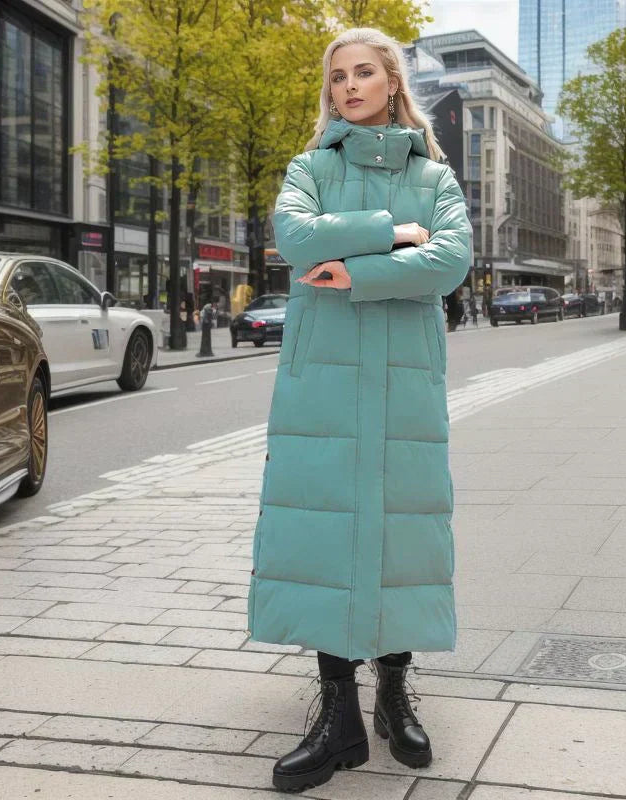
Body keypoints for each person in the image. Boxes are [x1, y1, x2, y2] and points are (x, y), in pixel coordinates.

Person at [247, 27, 470, 793]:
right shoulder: (311, 167)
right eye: (338, 75)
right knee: (325, 525)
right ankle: (336, 709)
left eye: (364, 72)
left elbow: (452, 261)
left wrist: (365, 269)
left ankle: (395, 694)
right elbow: (293, 236)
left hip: (405, 375)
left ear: (391, 81)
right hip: (324, 379)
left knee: (401, 528)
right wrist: (395, 233)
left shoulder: (434, 175)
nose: (349, 86)